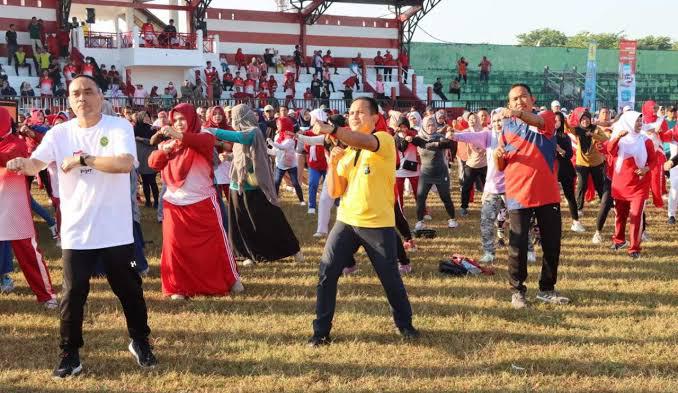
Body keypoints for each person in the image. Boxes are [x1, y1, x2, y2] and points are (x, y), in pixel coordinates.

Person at [6, 75, 157, 378]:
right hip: (77, 229)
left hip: (115, 228)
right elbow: (36, 164)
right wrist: (23, 163)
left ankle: (140, 341)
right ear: (69, 100)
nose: (82, 98)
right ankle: (69, 353)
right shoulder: (59, 133)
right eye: (75, 93)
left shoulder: (117, 127)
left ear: (100, 96)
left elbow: (125, 163)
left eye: (88, 92)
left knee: (129, 288)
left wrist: (83, 159)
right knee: (73, 293)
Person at [308, 97, 418, 346]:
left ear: (374, 118)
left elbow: (365, 141)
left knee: (390, 279)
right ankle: (320, 332)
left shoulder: (384, 140)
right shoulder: (346, 152)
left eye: (360, 113)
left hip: (377, 225)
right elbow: (336, 191)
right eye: (351, 112)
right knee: (327, 273)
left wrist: (334, 130)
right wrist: (333, 162)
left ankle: (405, 325)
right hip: (346, 221)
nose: (354, 116)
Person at [148, 103, 242, 298]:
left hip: (203, 201)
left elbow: (200, 142)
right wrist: (165, 149)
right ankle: (177, 288)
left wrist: (176, 136)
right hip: (174, 204)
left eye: (182, 119)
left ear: (191, 119)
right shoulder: (171, 144)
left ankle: (231, 279)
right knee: (175, 246)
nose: (179, 123)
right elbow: (153, 163)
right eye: (175, 120)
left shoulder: (204, 135)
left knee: (216, 243)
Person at [494, 83, 568, 309]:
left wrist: (517, 113)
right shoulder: (506, 128)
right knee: (517, 245)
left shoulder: (544, 116)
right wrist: (498, 155)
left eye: (523, 97)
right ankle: (517, 291)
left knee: (552, 244)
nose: (519, 101)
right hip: (518, 193)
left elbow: (535, 122)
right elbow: (501, 165)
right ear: (509, 103)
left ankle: (547, 289)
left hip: (547, 193)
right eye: (514, 99)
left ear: (532, 99)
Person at [212, 104, 302, 266]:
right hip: (237, 185)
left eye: (234, 118)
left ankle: (293, 249)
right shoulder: (242, 134)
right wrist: (230, 158)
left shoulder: (253, 132)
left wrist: (212, 131)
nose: (232, 121)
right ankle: (248, 254)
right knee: (241, 222)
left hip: (255, 186)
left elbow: (242, 139)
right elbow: (243, 155)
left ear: (241, 118)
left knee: (269, 219)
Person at [0, 106, 57, 308]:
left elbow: (9, 156)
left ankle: (47, 295)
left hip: (14, 209)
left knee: (29, 255)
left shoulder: (16, 144)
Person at [608, 111, 655, 259]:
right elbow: (610, 151)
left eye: (641, 122)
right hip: (621, 183)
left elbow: (654, 161)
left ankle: (634, 248)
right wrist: (617, 137)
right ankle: (619, 240)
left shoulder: (646, 140)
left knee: (635, 216)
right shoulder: (620, 139)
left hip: (639, 184)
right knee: (620, 215)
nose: (640, 124)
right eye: (637, 122)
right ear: (628, 122)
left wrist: (646, 169)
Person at [407, 116, 458, 231]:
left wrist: (446, 138)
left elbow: (448, 144)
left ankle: (453, 220)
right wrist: (408, 138)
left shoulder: (440, 137)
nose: (431, 127)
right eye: (428, 125)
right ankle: (420, 222)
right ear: (424, 126)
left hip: (441, 173)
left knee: (445, 197)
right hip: (426, 174)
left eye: (433, 125)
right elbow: (413, 141)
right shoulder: (419, 138)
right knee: (420, 197)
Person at [569, 107, 608, 217]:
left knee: (599, 185)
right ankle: (579, 208)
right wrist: (570, 117)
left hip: (596, 162)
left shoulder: (595, 129)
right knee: (581, 185)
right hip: (582, 163)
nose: (585, 121)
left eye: (587, 119)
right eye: (582, 119)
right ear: (580, 120)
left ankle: (605, 205)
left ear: (590, 120)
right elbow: (567, 128)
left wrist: (592, 135)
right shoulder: (577, 129)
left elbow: (605, 139)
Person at [553, 111, 583, 232]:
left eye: (558, 120)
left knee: (569, 196)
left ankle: (576, 221)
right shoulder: (544, 136)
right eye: (553, 120)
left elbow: (570, 154)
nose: (555, 122)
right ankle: (555, 224)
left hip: (565, 169)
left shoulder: (564, 136)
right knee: (553, 199)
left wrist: (560, 150)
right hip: (550, 171)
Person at [268, 116, 305, 204]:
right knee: (276, 183)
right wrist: (265, 149)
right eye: (276, 124)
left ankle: (302, 200)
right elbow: (275, 152)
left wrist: (271, 142)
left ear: (284, 125)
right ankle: (274, 200)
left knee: (295, 183)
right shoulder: (277, 136)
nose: (277, 126)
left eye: (279, 124)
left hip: (291, 165)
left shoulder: (290, 138)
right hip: (280, 165)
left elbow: (283, 147)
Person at [458, 112, 487, 216]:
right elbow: (457, 137)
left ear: (478, 120)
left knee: (487, 187)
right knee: (466, 186)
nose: (472, 120)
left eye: (474, 118)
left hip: (484, 164)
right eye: (469, 118)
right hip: (470, 164)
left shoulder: (484, 131)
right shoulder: (466, 132)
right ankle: (464, 207)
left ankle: (488, 206)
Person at [133, 112, 159, 208]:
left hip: (151, 156)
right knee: (145, 182)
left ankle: (156, 201)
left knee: (152, 181)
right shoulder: (135, 129)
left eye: (148, 116)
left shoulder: (152, 128)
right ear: (140, 117)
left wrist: (141, 139)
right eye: (145, 116)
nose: (147, 118)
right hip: (141, 158)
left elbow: (153, 142)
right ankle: (148, 201)